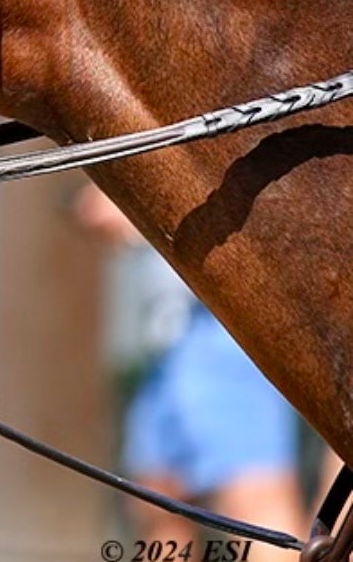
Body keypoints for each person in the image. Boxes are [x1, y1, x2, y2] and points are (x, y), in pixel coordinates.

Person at [74, 182, 306, 560]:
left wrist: (138, 208)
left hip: (229, 326)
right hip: (166, 342)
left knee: (258, 510)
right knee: (157, 503)